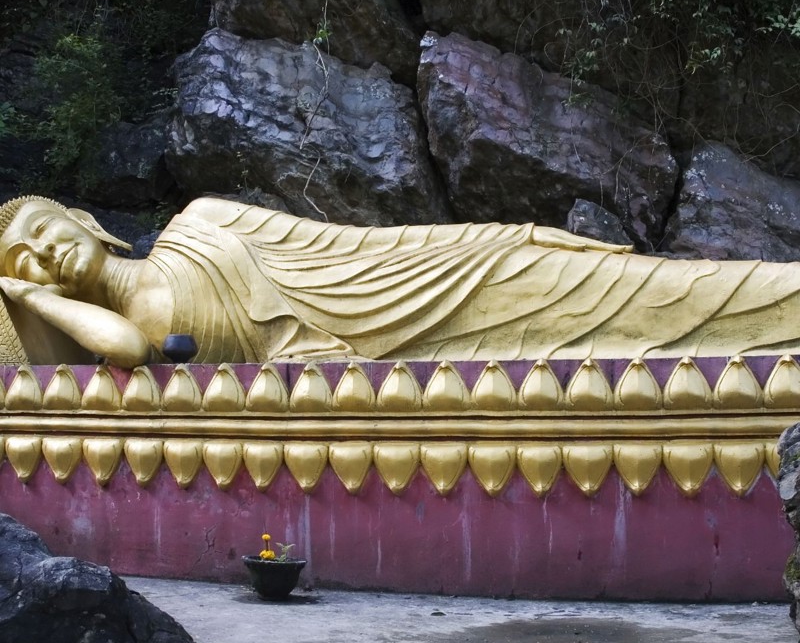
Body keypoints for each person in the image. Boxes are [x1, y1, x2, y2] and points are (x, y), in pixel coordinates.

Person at [0, 194, 798, 367]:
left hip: (423, 286)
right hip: (356, 368)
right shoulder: (113, 338)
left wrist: (486, 239)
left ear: (81, 218)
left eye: (42, 232)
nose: (41, 254)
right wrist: (32, 299)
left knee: (625, 289)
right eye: (23, 261)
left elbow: (354, 246)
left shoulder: (201, 220)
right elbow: (134, 351)